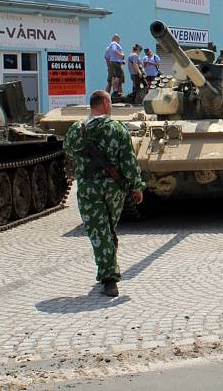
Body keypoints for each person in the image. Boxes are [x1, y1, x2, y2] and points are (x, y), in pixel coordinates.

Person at [63, 91, 145, 297]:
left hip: (88, 188)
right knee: (107, 229)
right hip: (113, 189)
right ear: (106, 104)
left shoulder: (75, 130)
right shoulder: (117, 129)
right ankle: (110, 278)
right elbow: (128, 160)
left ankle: (107, 268)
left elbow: (69, 152)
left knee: (99, 232)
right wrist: (136, 186)